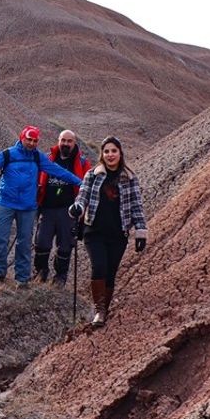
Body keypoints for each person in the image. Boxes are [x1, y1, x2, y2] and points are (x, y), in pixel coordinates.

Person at [0, 126, 83, 288]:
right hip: (6, 203)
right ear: (22, 138)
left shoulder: (38, 157)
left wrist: (80, 181)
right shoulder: (8, 154)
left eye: (35, 140)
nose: (31, 143)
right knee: (0, 237)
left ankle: (22, 278)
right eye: (28, 139)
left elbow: (58, 171)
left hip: (28, 206)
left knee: (24, 243)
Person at [69, 136, 148, 327]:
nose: (110, 155)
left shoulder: (129, 178)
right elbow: (83, 196)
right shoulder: (93, 175)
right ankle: (100, 310)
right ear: (102, 155)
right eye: (106, 151)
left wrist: (141, 231)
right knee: (100, 266)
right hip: (94, 230)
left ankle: (106, 308)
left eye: (114, 151)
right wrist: (76, 208)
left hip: (118, 232)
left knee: (111, 272)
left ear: (120, 153)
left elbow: (137, 206)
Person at [34, 130, 91, 286]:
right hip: (47, 208)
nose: (66, 144)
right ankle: (40, 271)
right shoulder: (48, 158)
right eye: (63, 140)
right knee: (41, 242)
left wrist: (83, 209)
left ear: (74, 143)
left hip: (69, 211)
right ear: (58, 141)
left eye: (69, 141)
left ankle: (60, 276)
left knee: (65, 245)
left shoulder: (82, 163)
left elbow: (87, 186)